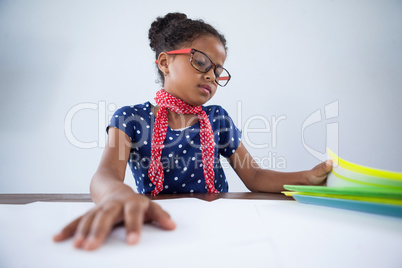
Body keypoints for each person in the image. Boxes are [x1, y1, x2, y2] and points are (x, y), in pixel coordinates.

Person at [53, 12, 332, 250]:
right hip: (159, 227)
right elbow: (106, 175)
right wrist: (116, 194)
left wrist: (306, 177)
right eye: (201, 62)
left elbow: (255, 176)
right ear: (164, 63)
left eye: (218, 70)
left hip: (219, 228)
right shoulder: (131, 118)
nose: (211, 75)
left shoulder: (217, 118)